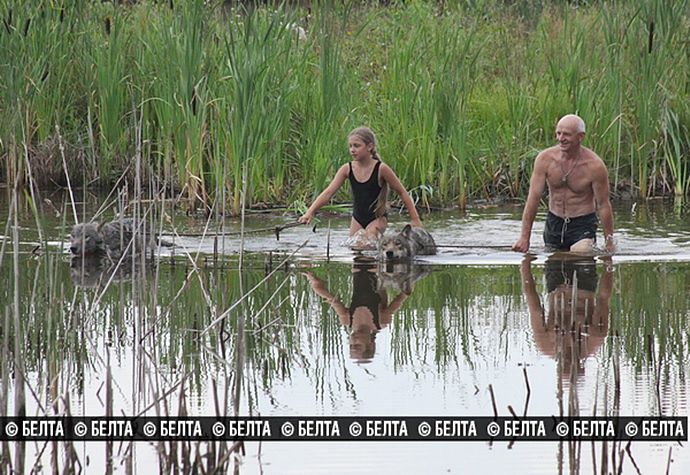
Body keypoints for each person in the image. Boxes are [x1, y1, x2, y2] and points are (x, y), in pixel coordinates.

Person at [298, 127, 423, 243]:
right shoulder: (347, 169)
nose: (352, 149)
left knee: (365, 245)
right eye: (350, 146)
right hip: (357, 219)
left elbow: (402, 192)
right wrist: (310, 212)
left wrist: (415, 219)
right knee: (355, 249)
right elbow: (328, 192)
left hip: (377, 219)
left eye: (357, 146)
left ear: (370, 147)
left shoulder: (381, 169)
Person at [512, 114, 615, 254]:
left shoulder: (595, 166)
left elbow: (603, 205)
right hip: (554, 223)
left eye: (566, 134)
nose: (561, 138)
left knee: (581, 252)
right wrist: (524, 238)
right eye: (558, 133)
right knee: (554, 265)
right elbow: (533, 198)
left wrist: (609, 243)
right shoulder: (545, 159)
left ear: (580, 136)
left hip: (582, 224)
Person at [520, 255, 613, 378]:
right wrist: (608, 263)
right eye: (569, 364)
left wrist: (525, 265)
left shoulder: (545, 343)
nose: (568, 360)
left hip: (557, 280)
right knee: (577, 247)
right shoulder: (594, 338)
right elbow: (603, 298)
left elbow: (533, 302)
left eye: (566, 365)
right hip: (583, 277)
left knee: (561, 249)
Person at [303, 262, 413, 362]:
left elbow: (332, 299)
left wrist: (314, 281)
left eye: (351, 346)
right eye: (357, 346)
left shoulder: (347, 319)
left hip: (357, 266)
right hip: (380, 266)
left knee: (360, 243)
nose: (353, 342)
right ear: (370, 345)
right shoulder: (381, 321)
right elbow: (403, 295)